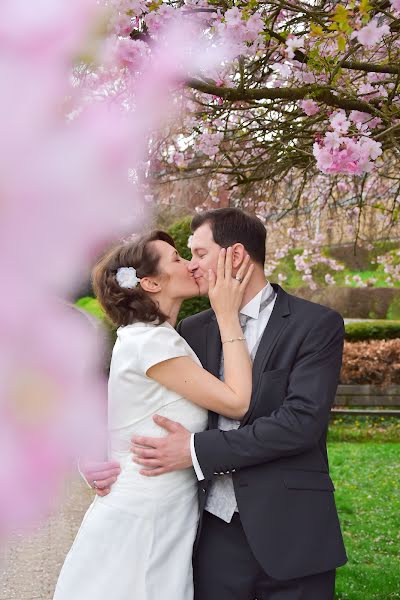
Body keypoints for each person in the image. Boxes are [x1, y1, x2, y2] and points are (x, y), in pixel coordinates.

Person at [84, 208, 348, 600]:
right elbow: (137, 392)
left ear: (236, 256)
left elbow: (301, 423)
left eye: (199, 254)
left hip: (292, 529)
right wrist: (97, 455)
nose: (191, 266)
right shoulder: (189, 330)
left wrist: (193, 450)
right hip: (209, 532)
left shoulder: (316, 324)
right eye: (184, 256)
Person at [53, 229, 254, 600]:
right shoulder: (152, 342)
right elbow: (237, 402)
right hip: (145, 514)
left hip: (162, 509)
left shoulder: (157, 336)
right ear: (149, 282)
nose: (190, 264)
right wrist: (227, 316)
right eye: (177, 259)